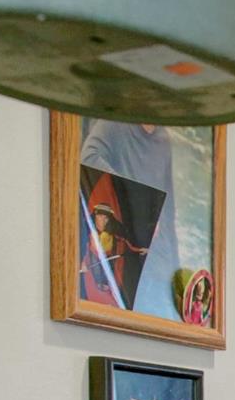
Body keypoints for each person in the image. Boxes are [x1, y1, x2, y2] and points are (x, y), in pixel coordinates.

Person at [79, 121, 188, 322]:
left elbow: (168, 208)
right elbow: (88, 157)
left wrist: (176, 273)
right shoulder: (113, 125)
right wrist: (137, 205)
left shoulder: (163, 140)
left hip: (156, 252)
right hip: (126, 246)